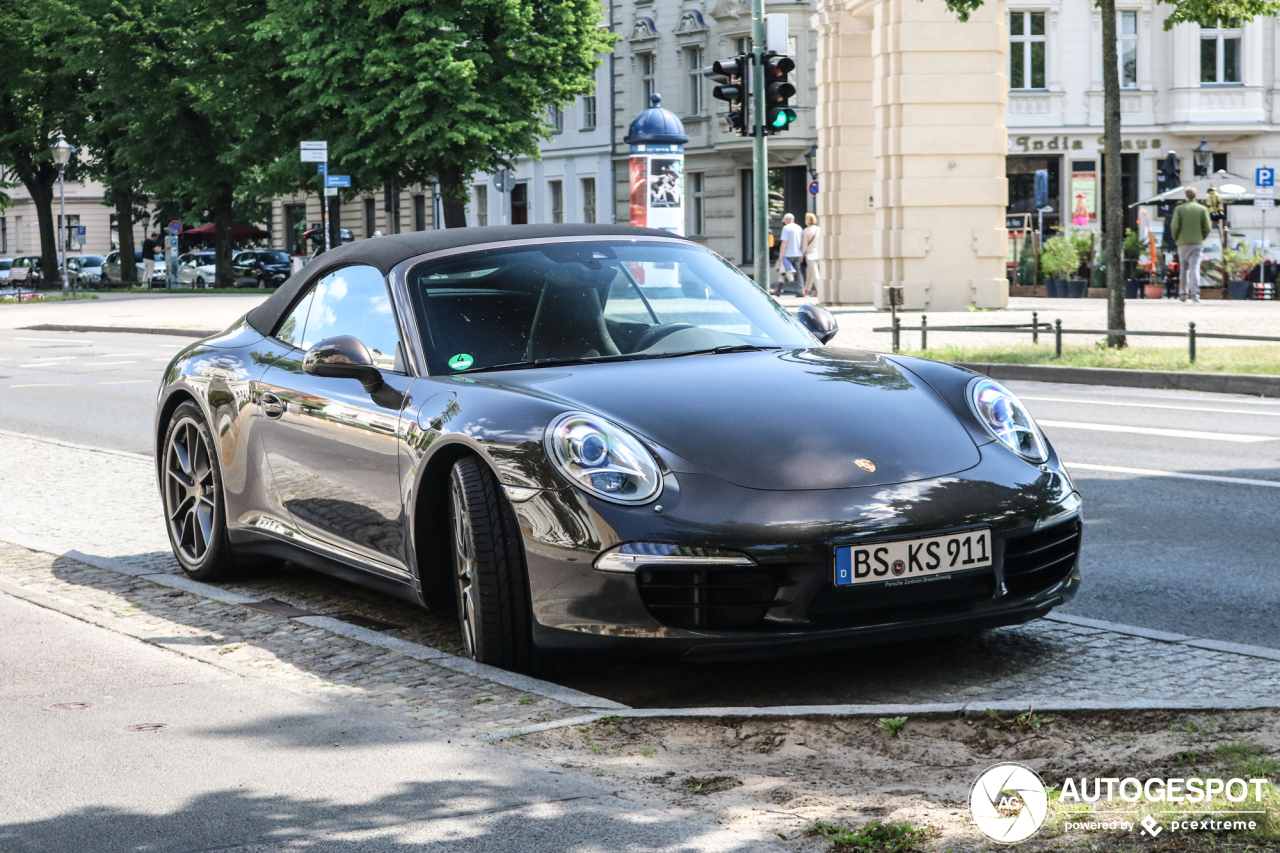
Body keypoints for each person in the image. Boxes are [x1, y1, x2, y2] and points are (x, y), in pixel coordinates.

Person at [1170, 187, 1211, 303]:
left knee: (1183, 269)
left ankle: (1183, 294)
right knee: (1195, 268)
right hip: (1197, 242)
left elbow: (1174, 227)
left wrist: (1177, 238)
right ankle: (1195, 295)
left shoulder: (1179, 209)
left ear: (1186, 196)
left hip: (1183, 243)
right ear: (1196, 196)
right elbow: (1207, 227)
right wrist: (1201, 237)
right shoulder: (1202, 209)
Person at [773, 213, 805, 296]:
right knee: (798, 272)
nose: (785, 222)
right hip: (798, 253)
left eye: (785, 221)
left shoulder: (786, 228)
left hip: (787, 254)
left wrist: (781, 254)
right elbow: (802, 241)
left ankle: (778, 290)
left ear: (787, 220)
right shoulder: (799, 228)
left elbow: (784, 242)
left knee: (783, 272)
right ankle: (801, 290)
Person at [800, 212, 821, 298]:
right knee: (810, 272)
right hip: (819, 252)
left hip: (810, 253)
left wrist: (802, 254)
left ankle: (819, 290)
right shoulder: (819, 229)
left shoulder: (806, 231)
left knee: (815, 273)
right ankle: (806, 290)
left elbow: (804, 245)